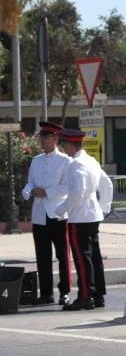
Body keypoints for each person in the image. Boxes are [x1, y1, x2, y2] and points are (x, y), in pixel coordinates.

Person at [56, 129, 114, 311]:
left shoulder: (75, 165)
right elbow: (107, 184)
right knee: (94, 257)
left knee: (82, 258)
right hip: (93, 214)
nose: (63, 148)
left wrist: (62, 210)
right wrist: (103, 208)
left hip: (80, 216)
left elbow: (77, 192)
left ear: (69, 145)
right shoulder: (91, 161)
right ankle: (98, 295)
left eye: (63, 144)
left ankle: (85, 296)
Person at [21, 121, 72, 306]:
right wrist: (28, 191)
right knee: (42, 256)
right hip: (40, 214)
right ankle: (46, 293)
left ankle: (64, 292)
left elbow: (67, 187)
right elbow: (30, 182)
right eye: (41, 138)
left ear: (54, 138)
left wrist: (47, 192)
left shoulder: (65, 161)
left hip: (57, 213)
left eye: (45, 138)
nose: (41, 142)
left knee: (62, 256)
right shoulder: (36, 160)